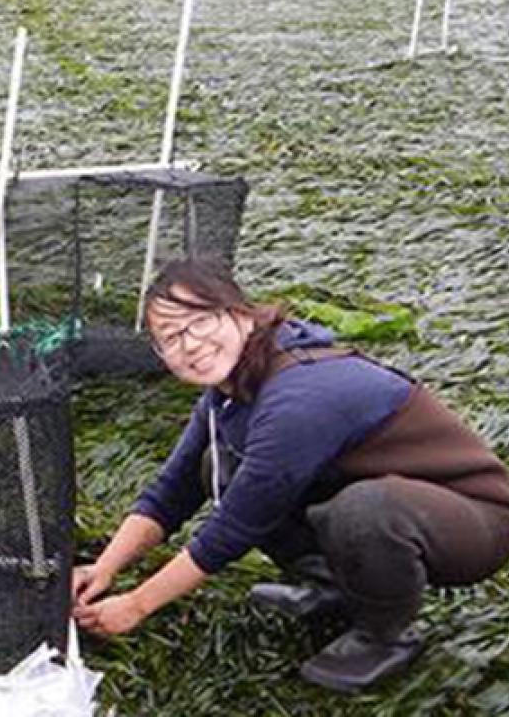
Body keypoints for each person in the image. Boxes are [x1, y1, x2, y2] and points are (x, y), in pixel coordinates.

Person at [72, 259, 509, 693]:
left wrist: (136, 605)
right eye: (171, 338)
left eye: (200, 322)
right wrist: (105, 567)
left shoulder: (298, 396)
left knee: (363, 511)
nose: (190, 345)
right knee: (217, 465)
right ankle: (332, 588)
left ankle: (385, 636)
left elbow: (234, 528)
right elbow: (173, 489)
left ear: (240, 312)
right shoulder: (229, 388)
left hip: (475, 522)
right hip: (392, 496)